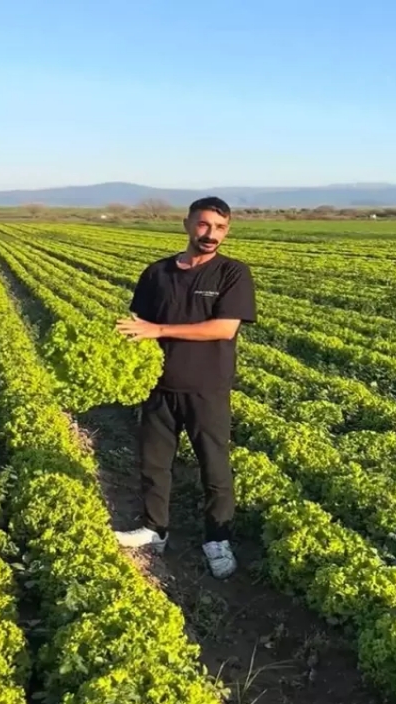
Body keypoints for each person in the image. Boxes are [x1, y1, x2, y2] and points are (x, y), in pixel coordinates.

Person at [112, 196, 257, 579]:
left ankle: (217, 539)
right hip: (157, 386)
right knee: (154, 463)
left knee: (214, 466)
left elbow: (223, 328)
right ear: (188, 224)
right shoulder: (156, 273)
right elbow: (138, 325)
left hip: (206, 387)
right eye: (204, 224)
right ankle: (154, 529)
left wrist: (159, 329)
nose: (211, 234)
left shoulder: (232, 273)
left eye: (220, 227)